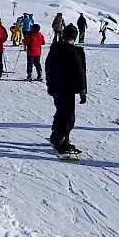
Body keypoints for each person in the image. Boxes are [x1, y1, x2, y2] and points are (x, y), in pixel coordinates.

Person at [45, 24, 87, 154]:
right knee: (68, 116)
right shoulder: (73, 52)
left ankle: (56, 136)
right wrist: (82, 90)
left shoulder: (55, 49)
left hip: (56, 87)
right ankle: (61, 141)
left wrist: (50, 84)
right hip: (67, 88)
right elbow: (79, 72)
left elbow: (48, 68)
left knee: (61, 112)